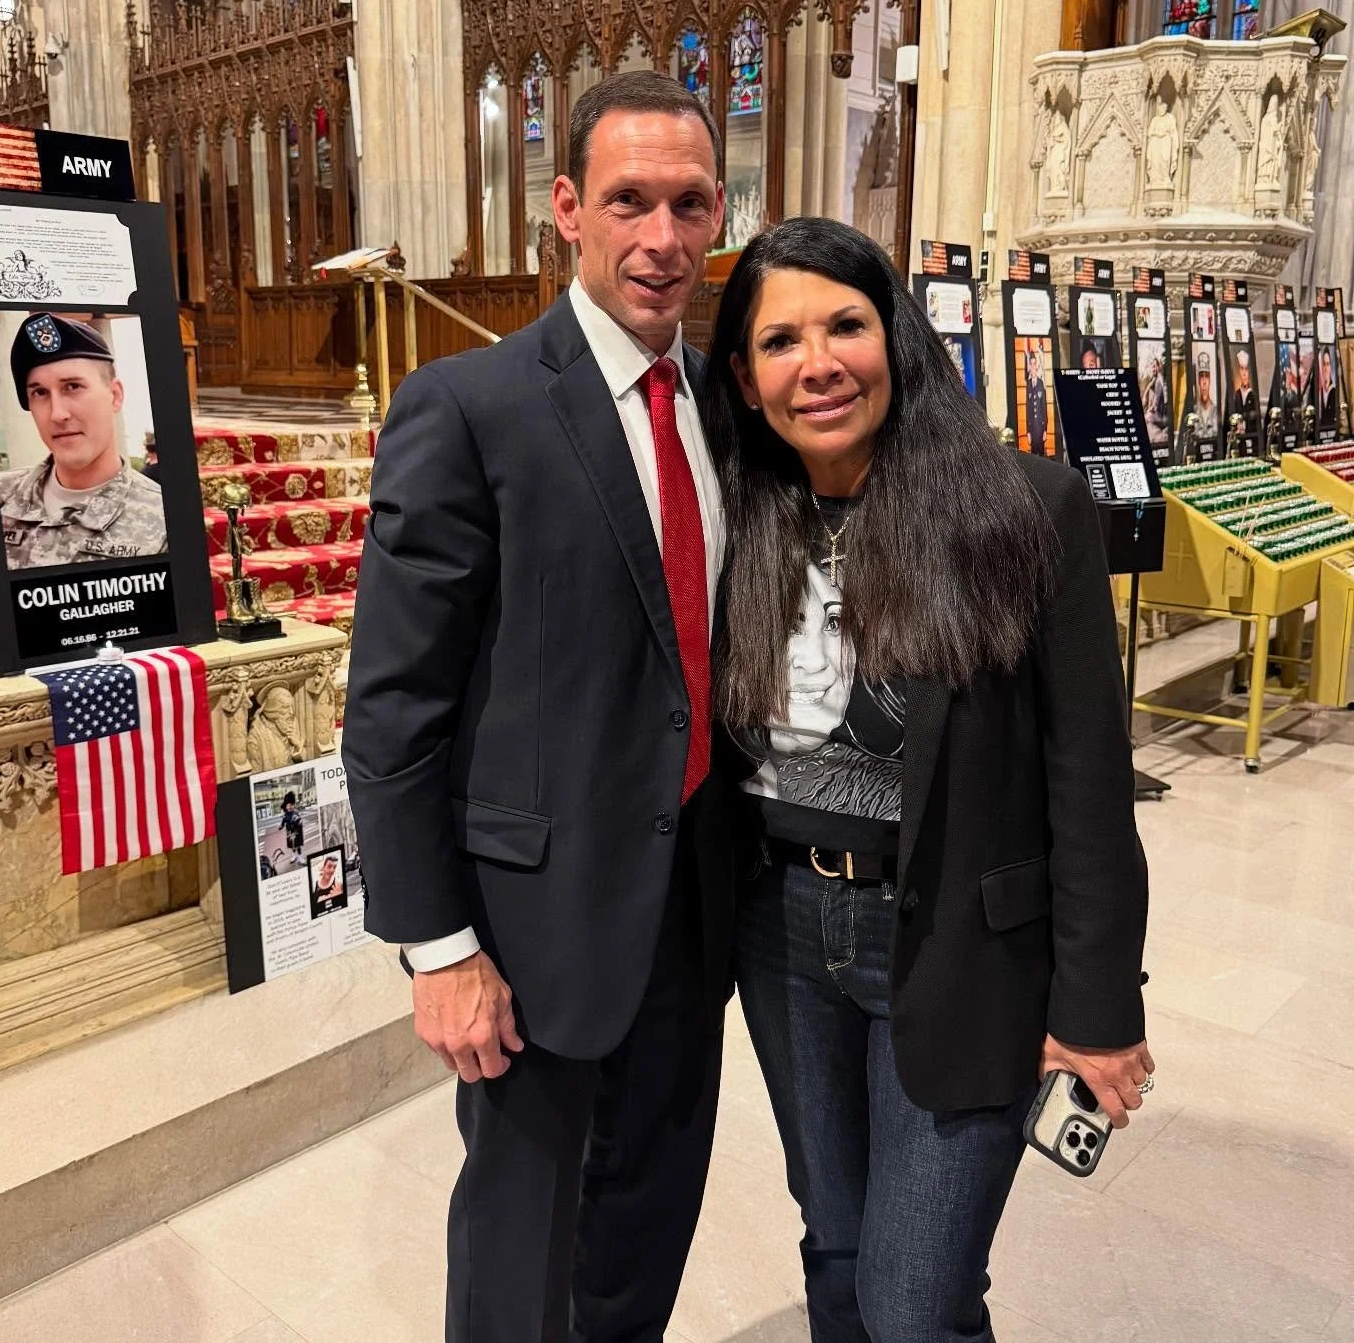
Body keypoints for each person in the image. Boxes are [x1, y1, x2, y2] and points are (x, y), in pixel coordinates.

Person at [700, 217, 1151, 1343]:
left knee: (913, 1299)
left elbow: (1088, 779)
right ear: (747, 383)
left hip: (961, 938)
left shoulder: (1022, 509)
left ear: (896, 339)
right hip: (784, 928)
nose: (820, 364)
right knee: (836, 1247)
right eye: (780, 341)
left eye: (847, 325)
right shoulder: (736, 520)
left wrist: (1098, 1010)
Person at [344, 71, 733, 1343]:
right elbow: (396, 706)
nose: (660, 239)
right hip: (530, 922)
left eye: (688, 203)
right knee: (521, 1250)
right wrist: (438, 946)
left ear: (721, 211)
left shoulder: (733, 410)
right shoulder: (471, 408)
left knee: (646, 1225)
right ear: (566, 207)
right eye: (628, 200)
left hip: (696, 911)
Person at [0, 313, 165, 570]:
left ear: (114, 395)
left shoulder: (163, 517)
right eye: (39, 393)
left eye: (72, 387)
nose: (57, 414)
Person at [1024, 341, 1048, 458]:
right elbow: (1028, 409)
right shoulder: (1028, 384)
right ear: (1029, 366)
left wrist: (1045, 430)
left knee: (1041, 456)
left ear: (1037, 366)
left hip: (1040, 427)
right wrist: (1028, 431)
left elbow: (1044, 408)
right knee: (1033, 457)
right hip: (1032, 428)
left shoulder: (1041, 383)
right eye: (1031, 364)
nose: (1033, 366)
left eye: (1034, 364)